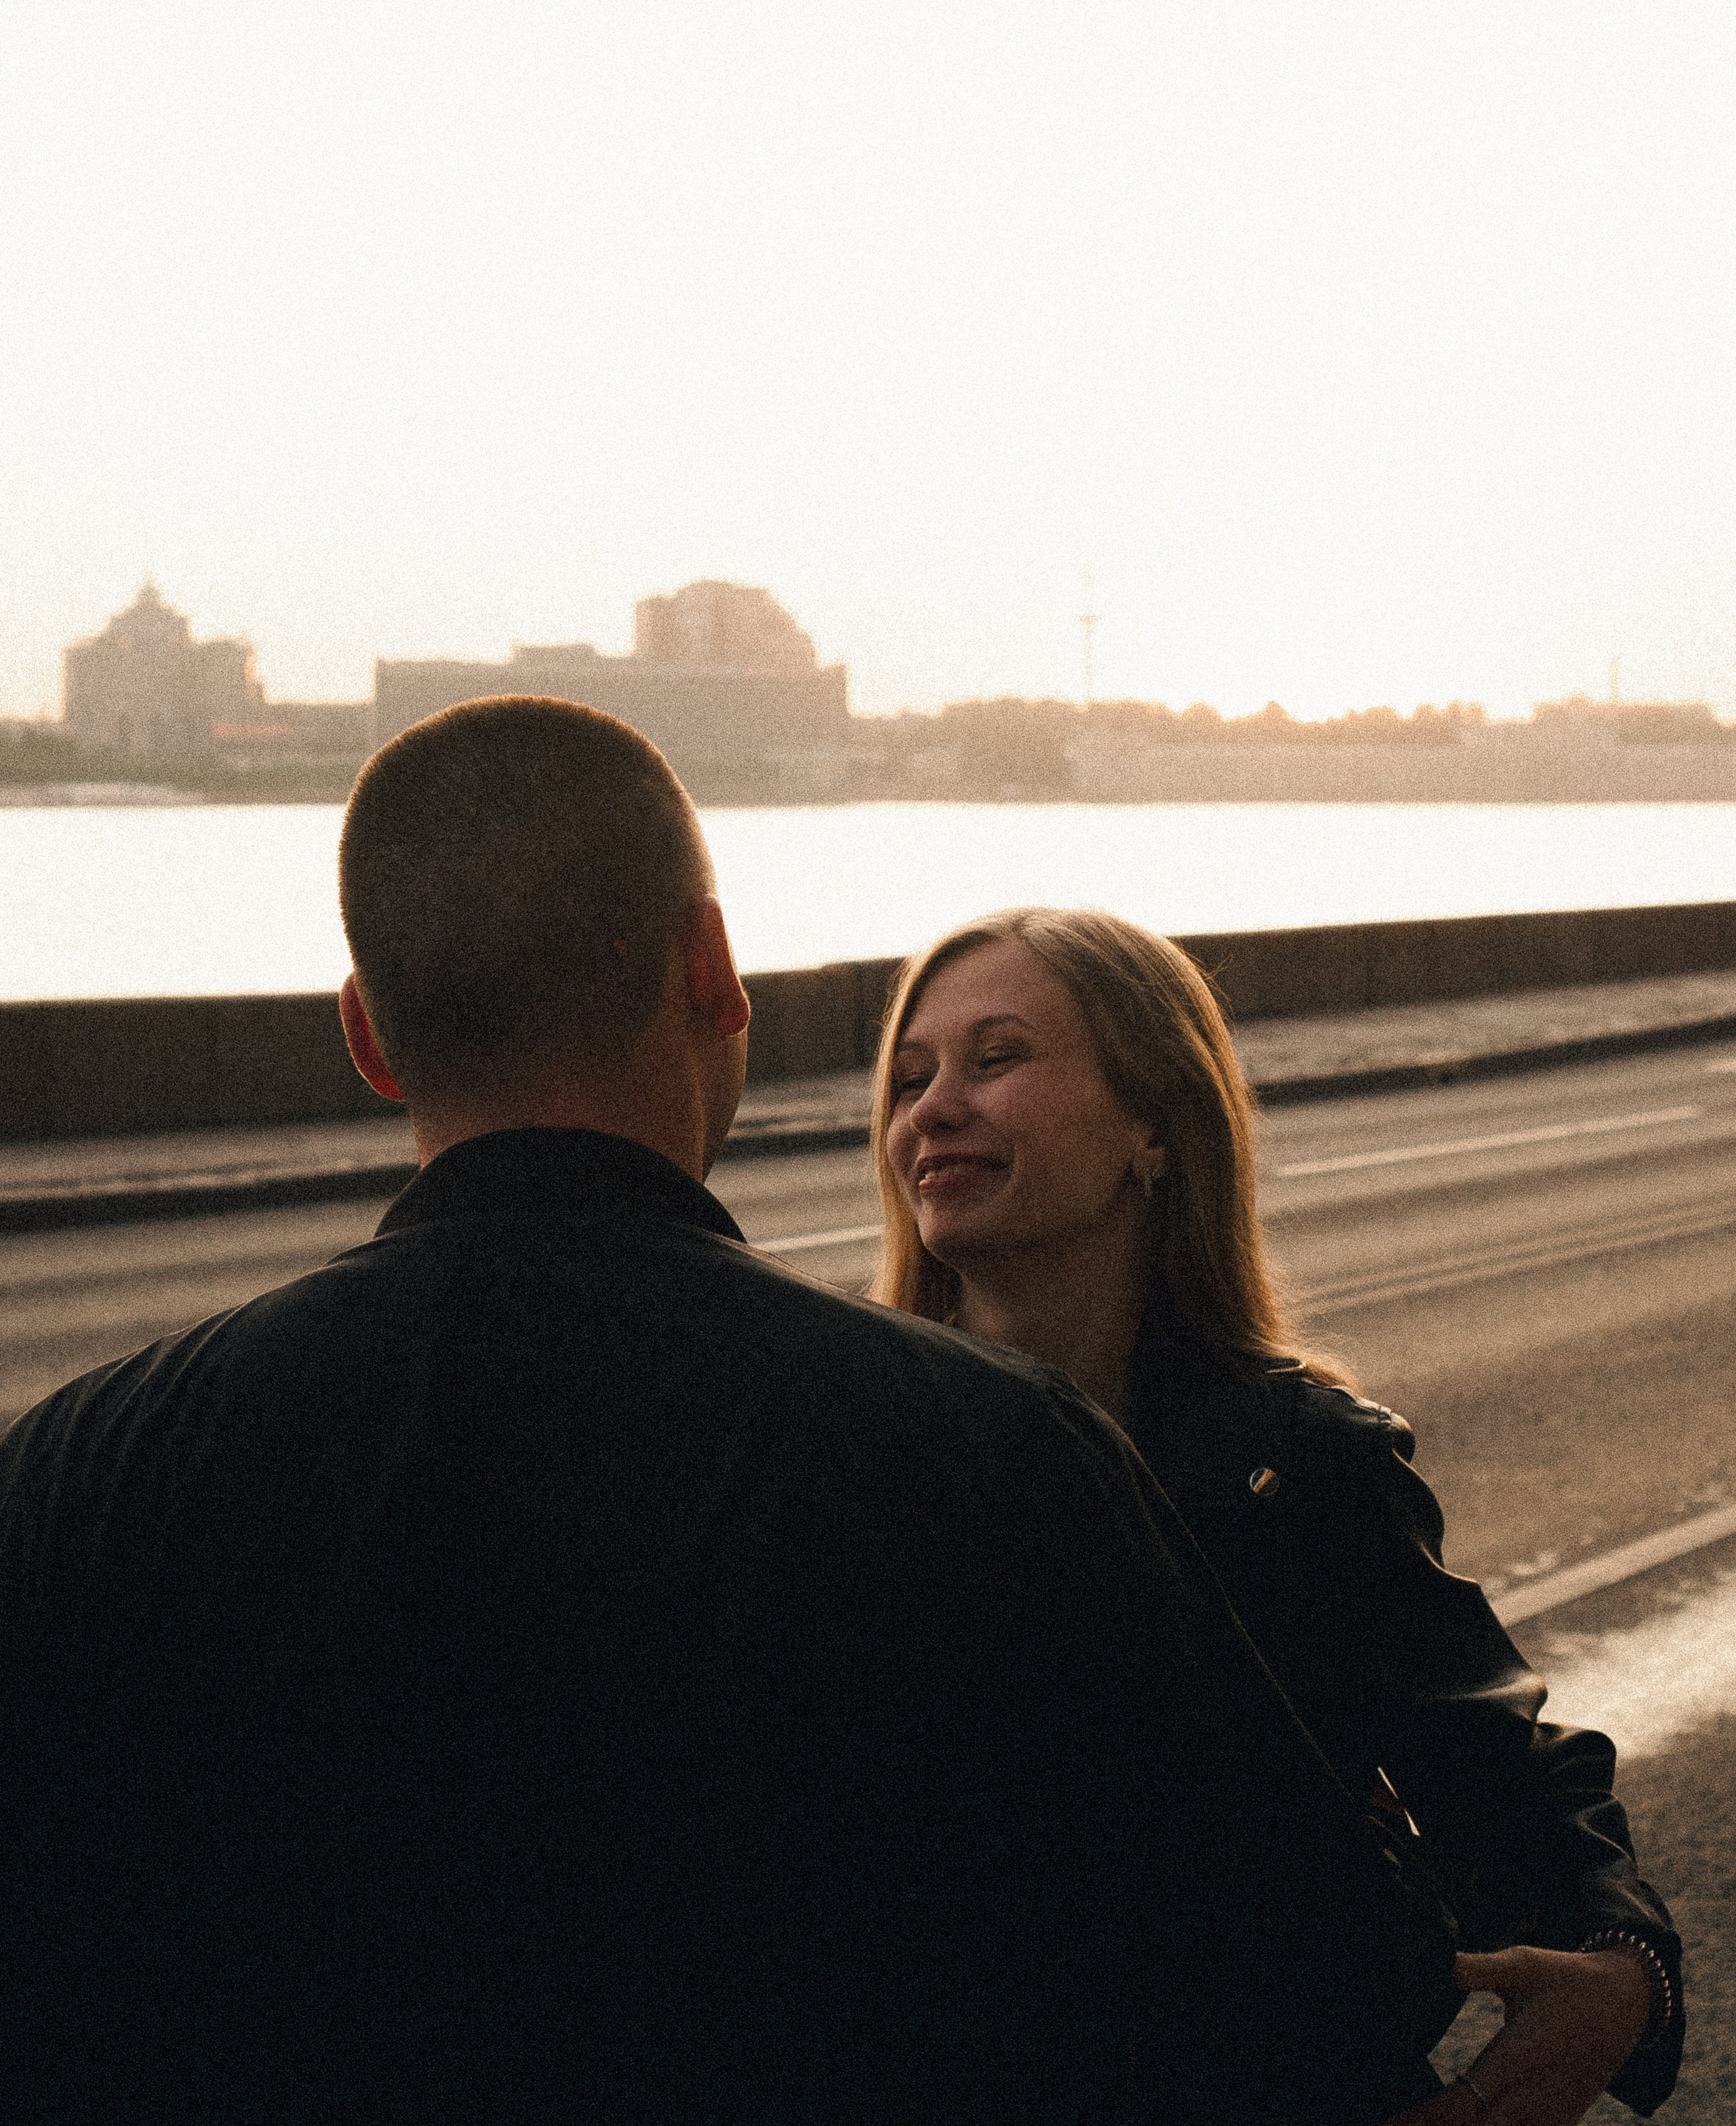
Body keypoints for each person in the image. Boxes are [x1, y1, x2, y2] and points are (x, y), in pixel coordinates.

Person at [0, 701, 1459, 2126]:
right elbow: (1303, 1986)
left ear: (369, 1038)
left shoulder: (79, 1473)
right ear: (711, 969)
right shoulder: (992, 1455)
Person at [871, 905, 1684, 2126]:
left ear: (1154, 1124)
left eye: (998, 1059)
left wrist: (1627, 1977)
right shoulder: (844, 1452)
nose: (932, 1108)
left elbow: (1499, 1770)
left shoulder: (1301, 1463)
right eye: (912, 1076)